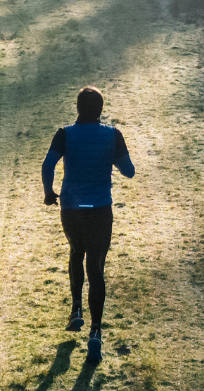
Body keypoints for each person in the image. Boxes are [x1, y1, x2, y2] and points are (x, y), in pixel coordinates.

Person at [42, 85, 135, 362]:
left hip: (72, 208)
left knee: (75, 253)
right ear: (101, 110)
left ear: (78, 108)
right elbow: (129, 171)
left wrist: (49, 192)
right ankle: (96, 332)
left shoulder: (65, 134)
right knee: (96, 266)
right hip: (100, 210)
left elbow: (48, 164)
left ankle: (76, 312)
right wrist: (113, 159)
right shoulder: (112, 135)